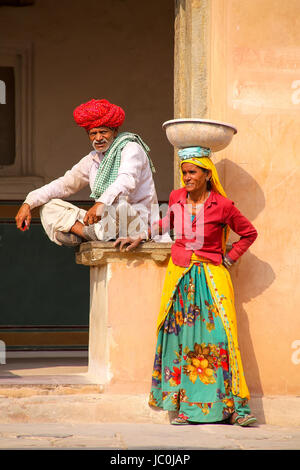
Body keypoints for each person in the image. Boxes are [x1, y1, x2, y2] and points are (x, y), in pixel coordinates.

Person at [115, 146, 258, 426]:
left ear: (207, 174)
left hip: (211, 279)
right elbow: (166, 222)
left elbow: (249, 233)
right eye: (184, 173)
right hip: (180, 277)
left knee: (220, 339)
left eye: (192, 172)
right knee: (180, 341)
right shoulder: (176, 198)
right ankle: (183, 408)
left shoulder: (223, 206)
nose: (186, 178)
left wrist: (229, 258)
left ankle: (232, 408)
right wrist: (140, 236)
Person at [15, 98, 157, 245]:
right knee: (47, 206)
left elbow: (126, 181)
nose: (98, 138)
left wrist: (100, 203)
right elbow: (65, 184)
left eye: (103, 132)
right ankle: (86, 233)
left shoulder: (131, 148)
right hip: (105, 224)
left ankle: (84, 234)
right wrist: (28, 203)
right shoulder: (93, 158)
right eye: (93, 133)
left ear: (115, 132)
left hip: (136, 224)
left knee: (119, 207)